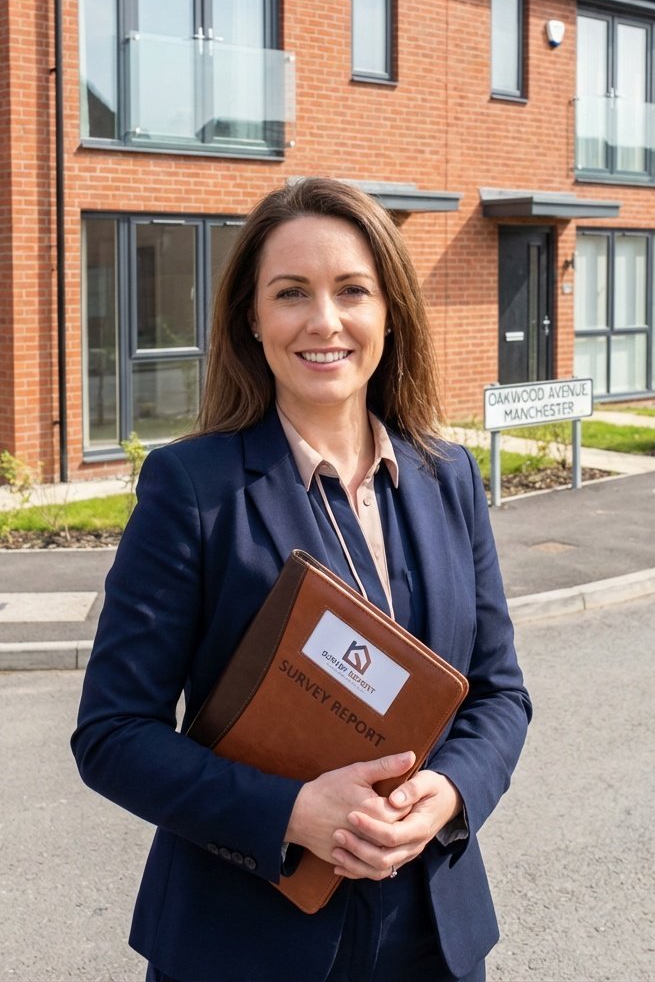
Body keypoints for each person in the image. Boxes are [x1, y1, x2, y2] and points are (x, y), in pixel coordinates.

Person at [72, 177, 531, 982]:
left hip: (431, 935)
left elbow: (498, 694)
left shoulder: (448, 477)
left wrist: (450, 794)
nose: (325, 321)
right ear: (253, 318)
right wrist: (288, 813)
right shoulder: (192, 490)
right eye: (292, 293)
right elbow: (112, 736)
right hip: (244, 943)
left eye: (352, 290)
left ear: (389, 310)